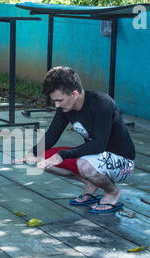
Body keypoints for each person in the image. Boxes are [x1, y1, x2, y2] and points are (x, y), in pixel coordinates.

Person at [14, 66, 135, 213]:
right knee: (43, 159)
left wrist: (63, 155)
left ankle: (112, 192)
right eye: (55, 101)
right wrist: (32, 153)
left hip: (123, 162)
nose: (57, 105)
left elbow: (99, 144)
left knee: (84, 165)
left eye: (60, 100)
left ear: (74, 94)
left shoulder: (101, 103)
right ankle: (91, 184)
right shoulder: (65, 108)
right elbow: (52, 134)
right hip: (95, 157)